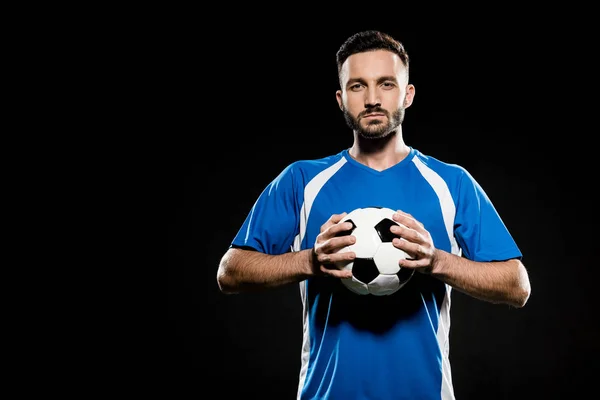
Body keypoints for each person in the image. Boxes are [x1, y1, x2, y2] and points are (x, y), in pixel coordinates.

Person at [216, 30, 531, 400]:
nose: (372, 100)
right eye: (356, 87)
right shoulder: (303, 180)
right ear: (340, 99)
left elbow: (517, 285)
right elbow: (230, 272)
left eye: (385, 84)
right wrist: (310, 261)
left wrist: (436, 262)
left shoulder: (451, 182)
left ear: (408, 93)